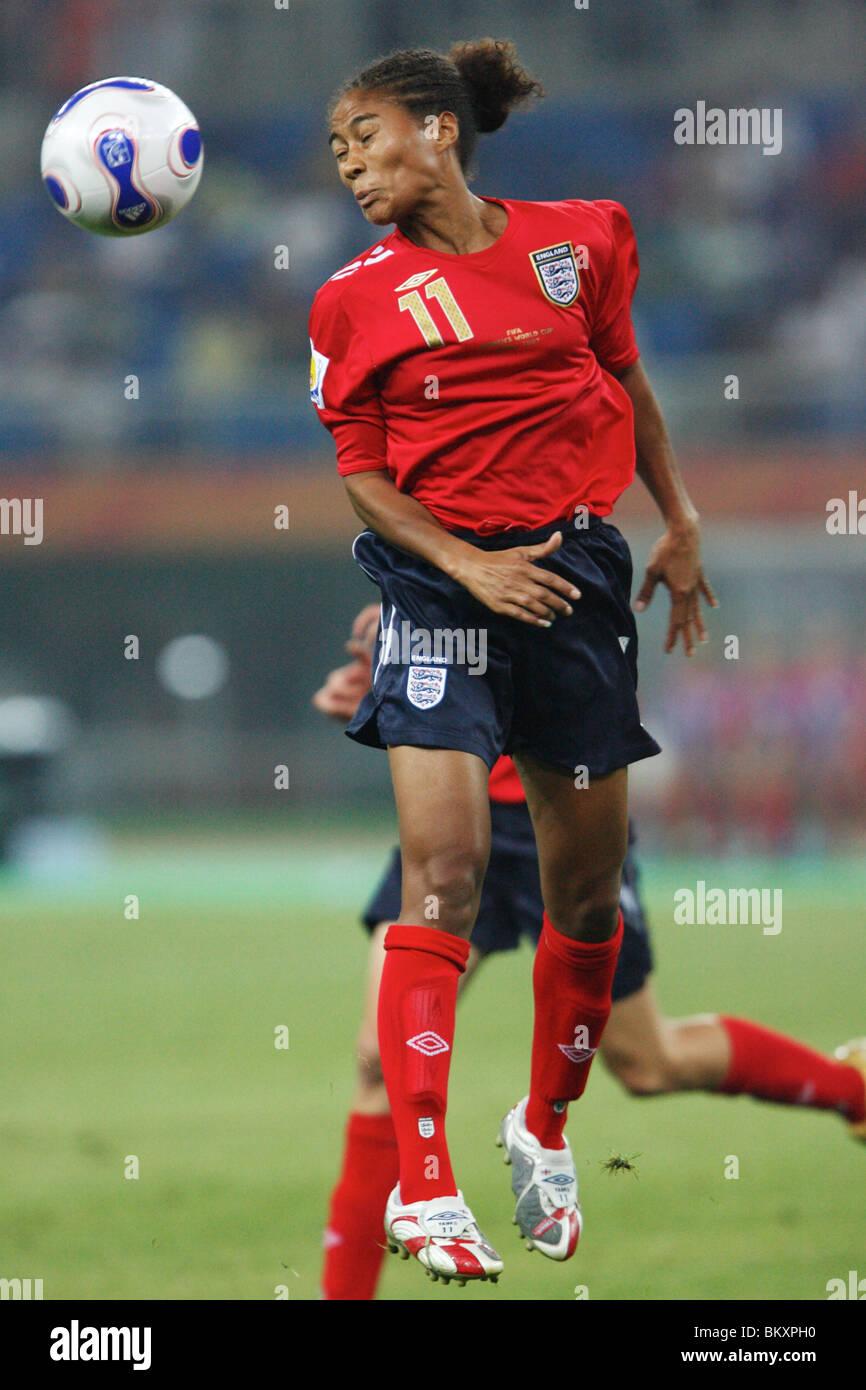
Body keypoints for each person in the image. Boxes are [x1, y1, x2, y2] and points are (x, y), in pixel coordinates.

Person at [308, 37, 717, 1284]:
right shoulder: (348, 300)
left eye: (362, 137)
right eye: (333, 151)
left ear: (434, 127)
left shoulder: (579, 238)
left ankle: (539, 1127)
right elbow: (361, 474)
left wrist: (679, 522)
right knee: (441, 866)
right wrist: (463, 565)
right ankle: (425, 1189)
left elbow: (626, 378)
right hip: (433, 585)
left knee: (584, 896)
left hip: (572, 580)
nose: (348, 165)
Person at [314, 607, 866, 1301]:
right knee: (377, 1066)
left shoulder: (563, 539)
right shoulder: (422, 543)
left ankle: (855, 1090)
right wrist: (393, 688)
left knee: (648, 1062)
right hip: (456, 819)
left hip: (566, 811)